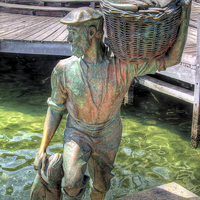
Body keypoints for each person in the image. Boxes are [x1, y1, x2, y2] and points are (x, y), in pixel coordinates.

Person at [31, 1, 191, 199]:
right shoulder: (64, 70)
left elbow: (171, 59)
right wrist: (42, 148)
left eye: (73, 32)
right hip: (77, 132)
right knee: (72, 182)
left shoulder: (123, 66)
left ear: (92, 33)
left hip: (109, 133)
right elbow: (55, 108)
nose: (68, 38)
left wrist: (184, 18)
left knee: (101, 186)